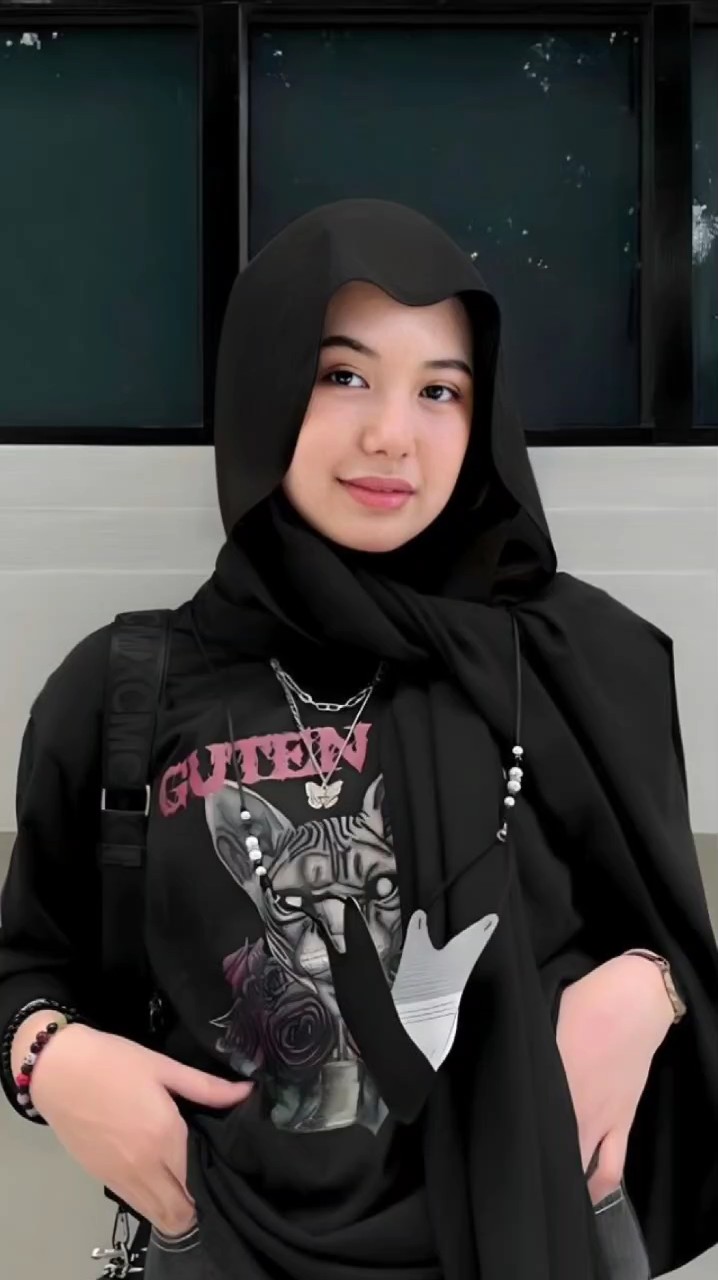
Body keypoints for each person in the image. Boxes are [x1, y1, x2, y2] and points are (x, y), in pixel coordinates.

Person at [1, 199, 717, 1280]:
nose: (392, 434)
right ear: (263, 386)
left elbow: (671, 933)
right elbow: (27, 963)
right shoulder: (123, 688)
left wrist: (649, 986)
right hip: (226, 1250)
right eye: (343, 374)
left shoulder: (573, 664)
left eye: (440, 390)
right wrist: (49, 1060)